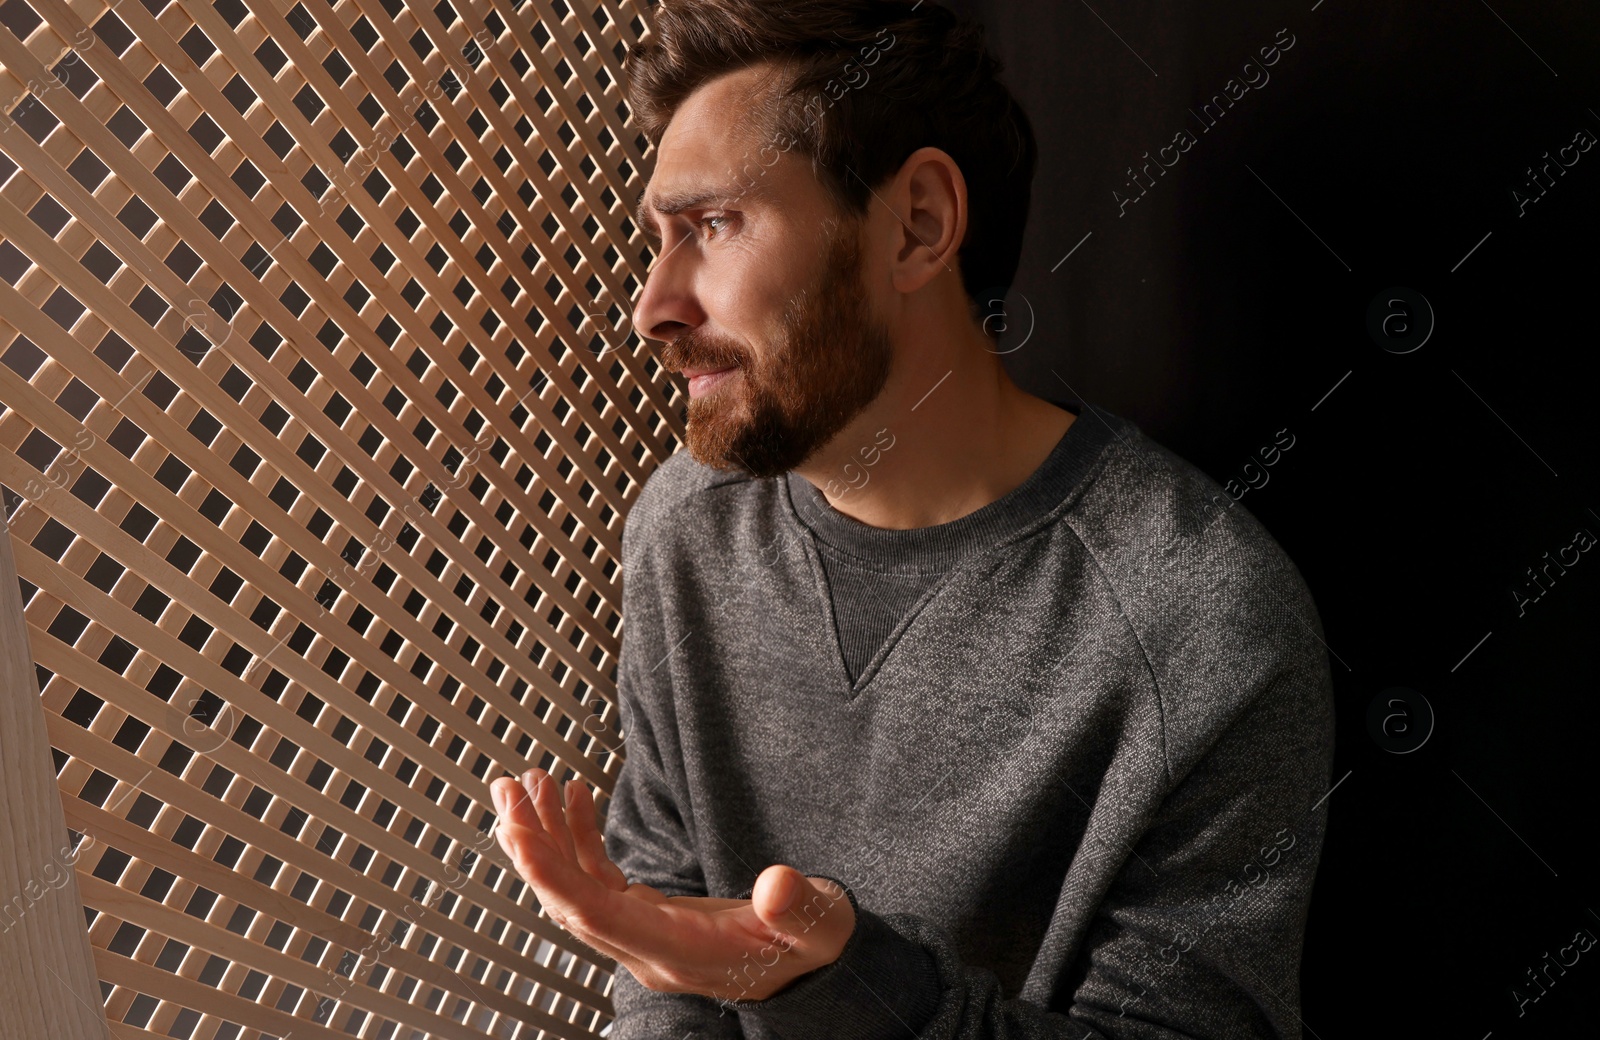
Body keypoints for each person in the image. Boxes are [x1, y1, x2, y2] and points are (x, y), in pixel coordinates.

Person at [487, 2, 1335, 1037]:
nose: (652, 304)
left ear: (918, 224)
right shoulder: (687, 527)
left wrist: (825, 976)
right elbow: (666, 942)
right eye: (658, 240)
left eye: (712, 226)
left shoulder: (1200, 619)